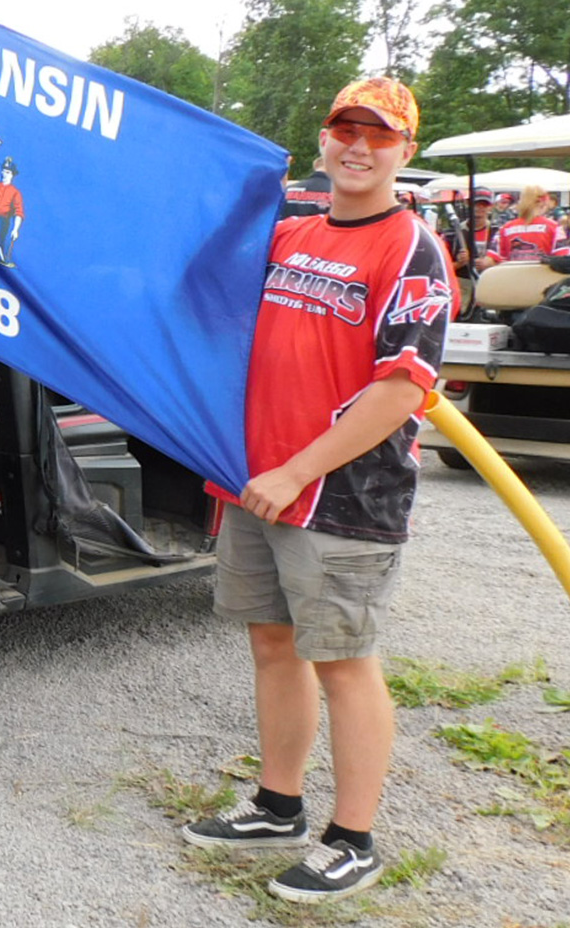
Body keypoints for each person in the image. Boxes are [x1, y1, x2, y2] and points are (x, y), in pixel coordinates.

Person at [183, 77, 453, 903]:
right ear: (324, 140)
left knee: (342, 661)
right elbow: (196, 278)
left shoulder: (412, 247)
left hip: (339, 496)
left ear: (403, 151)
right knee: (272, 646)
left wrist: (297, 469)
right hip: (255, 483)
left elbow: (403, 389)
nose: (359, 147)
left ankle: (354, 837)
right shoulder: (291, 235)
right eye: (345, 129)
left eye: (379, 136)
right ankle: (277, 804)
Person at [484, 185, 561, 265]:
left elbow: (489, 261)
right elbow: (563, 258)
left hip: (512, 276)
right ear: (544, 202)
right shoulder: (555, 227)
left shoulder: (505, 228)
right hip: (543, 276)